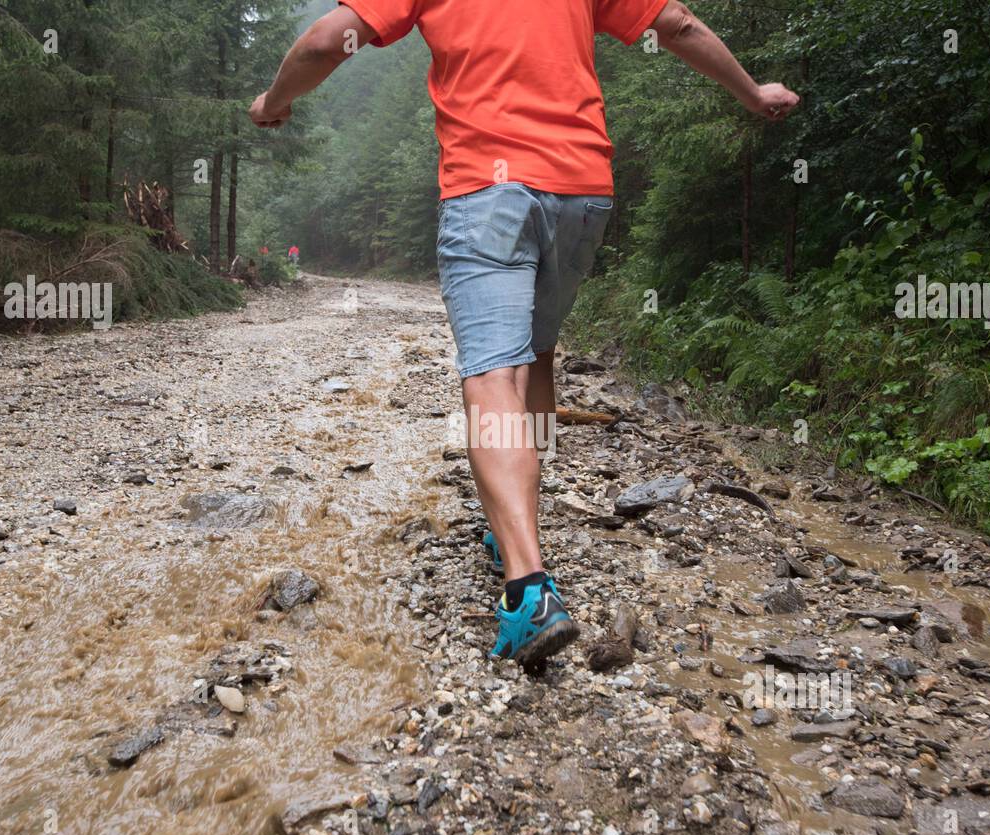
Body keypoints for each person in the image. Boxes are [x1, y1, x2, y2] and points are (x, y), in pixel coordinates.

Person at [250, 0, 798, 668]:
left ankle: (529, 587)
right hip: (583, 194)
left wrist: (275, 100)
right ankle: (515, 527)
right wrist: (753, 91)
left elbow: (326, 42)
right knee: (534, 353)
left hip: (490, 194)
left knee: (489, 372)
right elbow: (677, 25)